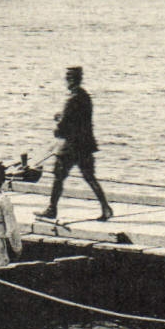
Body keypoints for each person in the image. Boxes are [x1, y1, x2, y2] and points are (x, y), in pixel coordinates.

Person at [41, 66, 112, 222]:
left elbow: (64, 124)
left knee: (58, 176)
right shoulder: (85, 96)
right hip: (85, 145)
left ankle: (52, 209)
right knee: (89, 177)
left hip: (69, 147)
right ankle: (106, 207)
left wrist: (58, 124)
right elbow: (79, 119)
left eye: (68, 78)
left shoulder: (71, 98)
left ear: (70, 80)